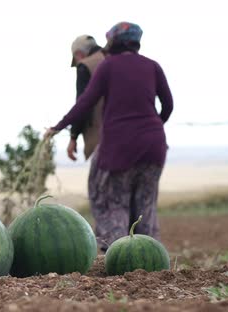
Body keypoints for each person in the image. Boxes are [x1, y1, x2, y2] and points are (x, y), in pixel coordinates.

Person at [45, 22, 174, 252]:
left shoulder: (109, 66)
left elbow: (85, 102)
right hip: (153, 146)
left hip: (119, 147)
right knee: (146, 207)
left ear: (113, 41)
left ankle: (115, 255)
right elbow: (168, 105)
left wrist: (58, 127)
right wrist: (151, 128)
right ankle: (151, 262)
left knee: (110, 201)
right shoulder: (152, 66)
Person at [68, 34, 106, 161]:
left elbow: (82, 104)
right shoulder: (115, 58)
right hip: (134, 134)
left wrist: (73, 136)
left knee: (101, 180)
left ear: (79, 54)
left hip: (101, 137)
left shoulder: (85, 66)